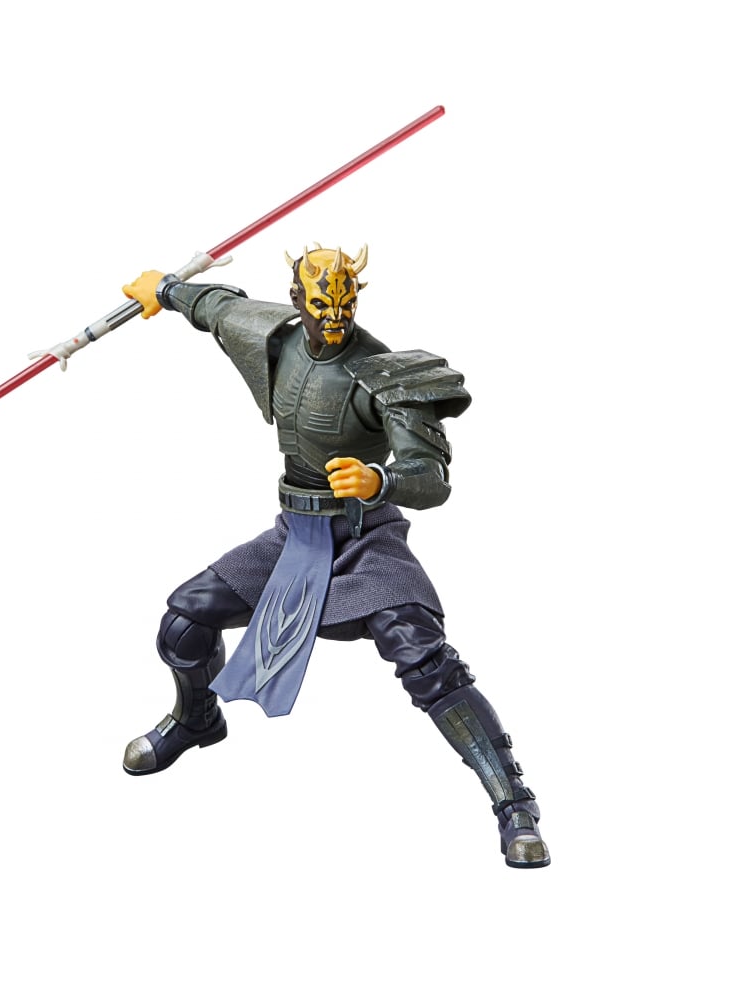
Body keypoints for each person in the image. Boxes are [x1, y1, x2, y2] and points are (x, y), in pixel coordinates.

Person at [120, 245, 550, 868]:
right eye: (322, 303)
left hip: (364, 537)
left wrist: (382, 480)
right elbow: (215, 307)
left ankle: (513, 803)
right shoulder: (274, 337)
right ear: (297, 299)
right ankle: (196, 720)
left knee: (426, 660)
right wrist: (165, 289)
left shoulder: (383, 374)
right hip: (294, 534)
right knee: (183, 622)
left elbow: (431, 476)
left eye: (345, 304)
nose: (334, 317)